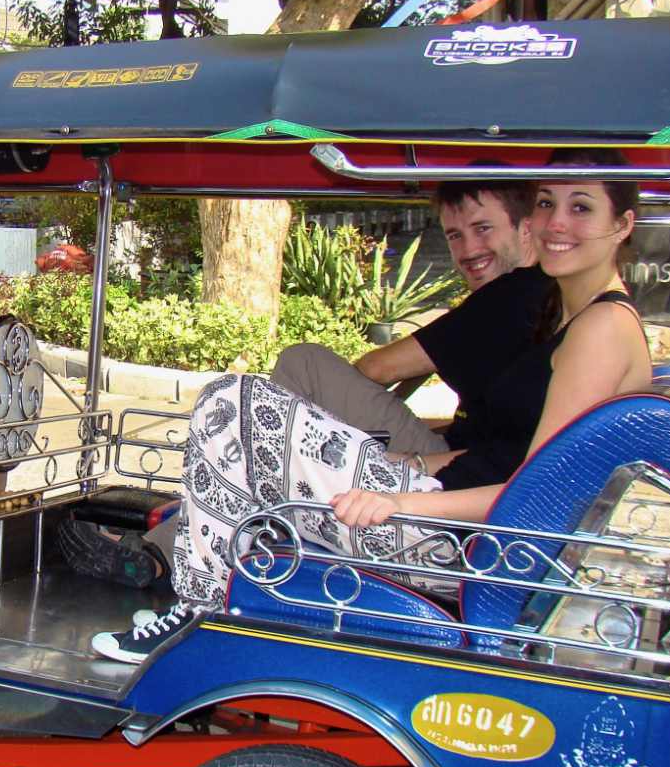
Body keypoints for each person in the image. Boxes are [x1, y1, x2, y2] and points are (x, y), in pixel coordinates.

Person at [93, 149, 650, 663]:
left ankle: (200, 612)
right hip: (465, 527)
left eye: (582, 208)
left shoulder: (599, 329)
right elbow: (506, 456)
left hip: (462, 552)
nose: (557, 223)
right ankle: (209, 569)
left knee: (232, 401)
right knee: (248, 409)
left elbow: (535, 495)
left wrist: (399, 500)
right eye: (549, 204)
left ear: (622, 225)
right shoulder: (571, 316)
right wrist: (410, 470)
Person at [61, 174, 546, 590]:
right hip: (455, 465)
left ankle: (190, 542)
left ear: (527, 231)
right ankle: (239, 511)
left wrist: (321, 433)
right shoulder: (541, 310)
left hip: (449, 497)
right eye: (456, 236)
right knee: (291, 388)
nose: (468, 249)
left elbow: (380, 368)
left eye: (483, 229)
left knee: (294, 370)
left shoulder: (511, 297)